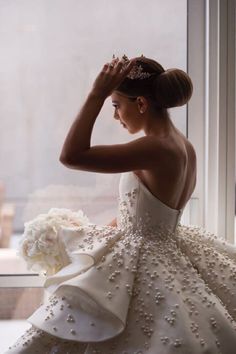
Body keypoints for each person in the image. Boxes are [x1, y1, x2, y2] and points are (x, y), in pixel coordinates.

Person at [5, 55, 236, 354]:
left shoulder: (155, 147)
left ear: (141, 103)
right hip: (164, 245)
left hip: (146, 258)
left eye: (116, 105)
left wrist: (96, 94)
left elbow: (71, 155)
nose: (115, 116)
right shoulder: (182, 144)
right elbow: (152, 213)